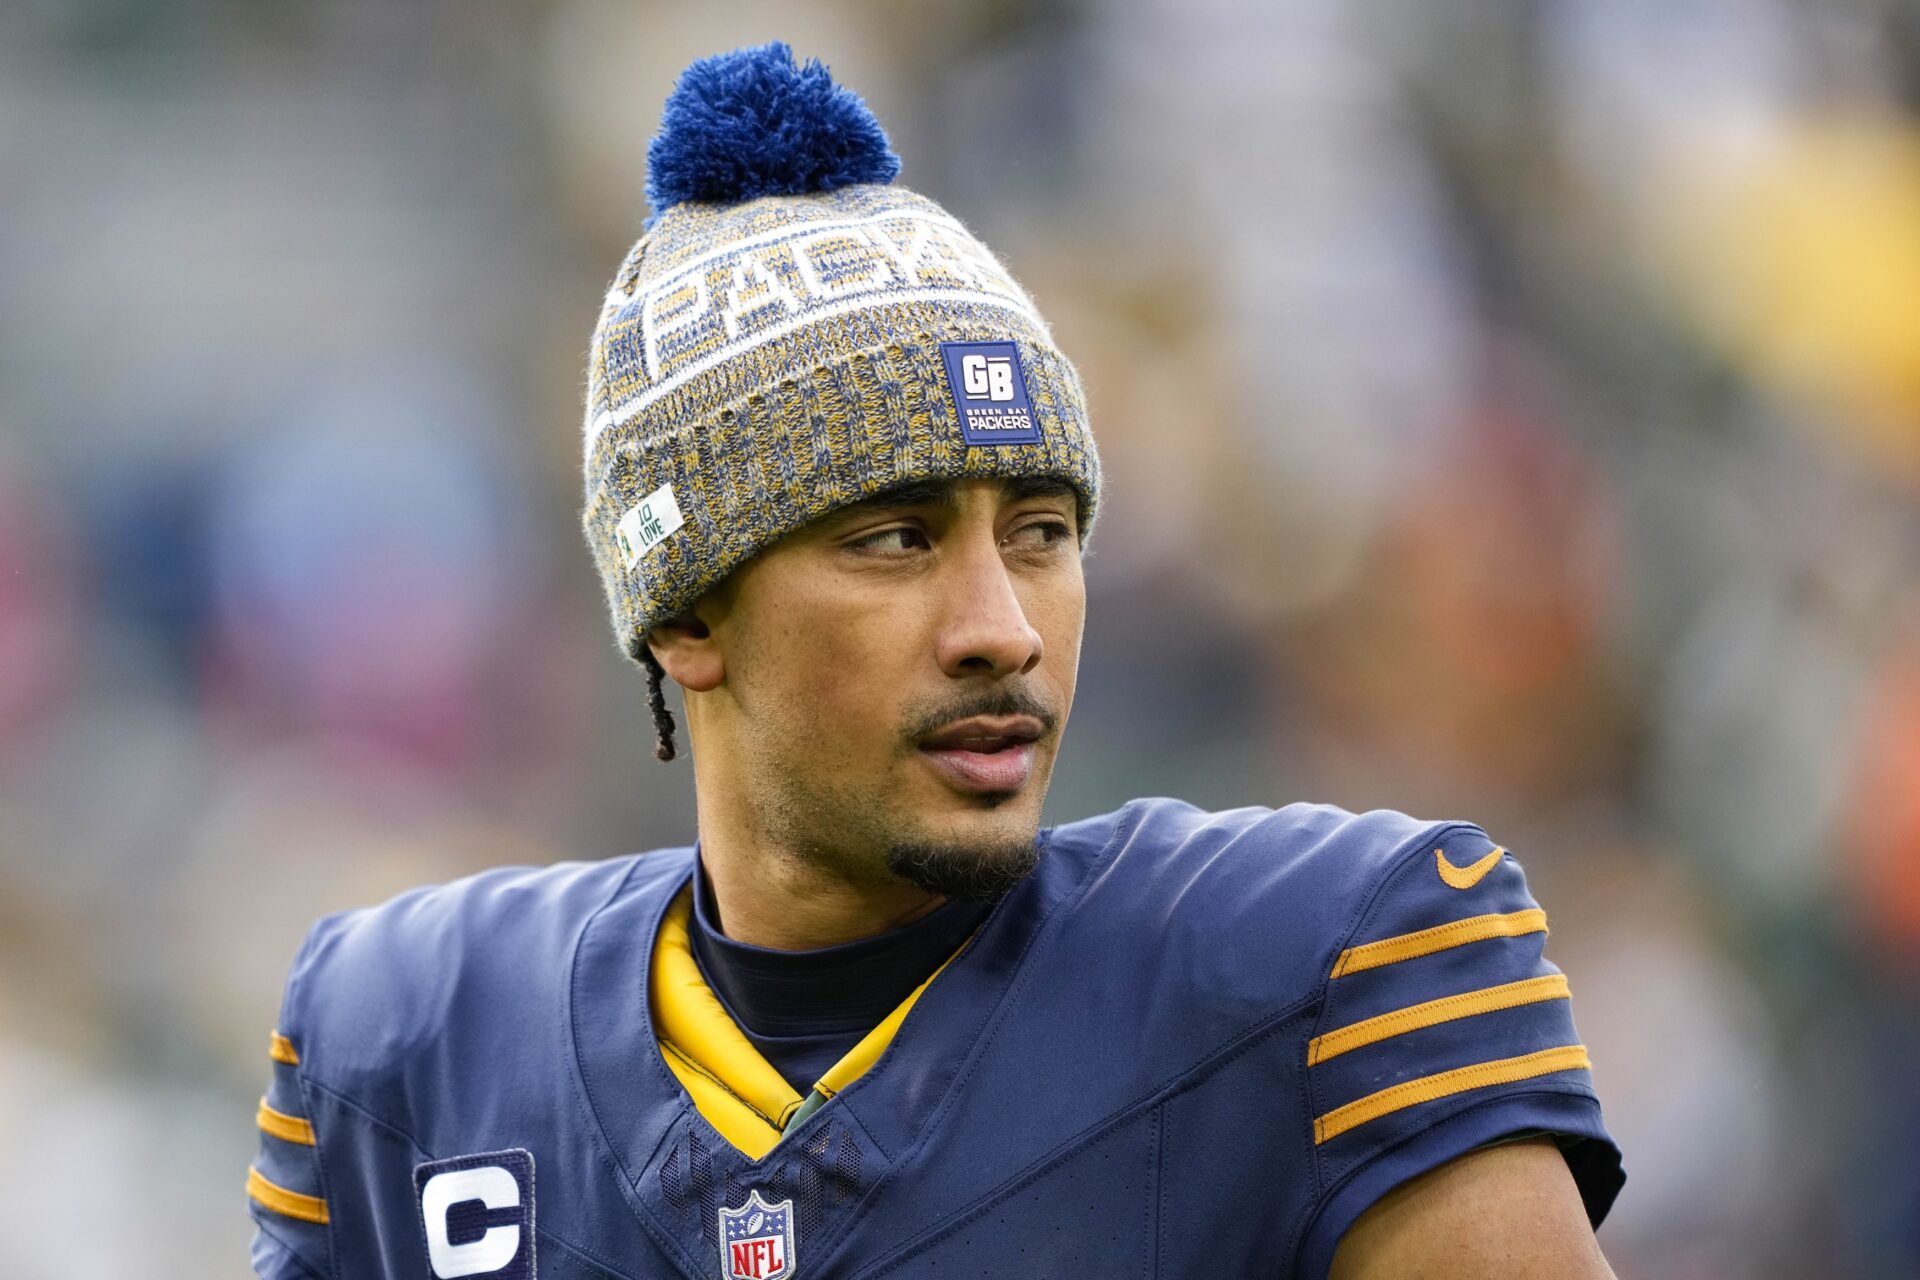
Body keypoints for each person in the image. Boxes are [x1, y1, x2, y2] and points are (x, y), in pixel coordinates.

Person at [244, 42, 1623, 1280]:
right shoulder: (407, 1051)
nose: (1002, 626)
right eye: (896, 539)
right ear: (685, 616)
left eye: (1039, 532)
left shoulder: (1332, 964)